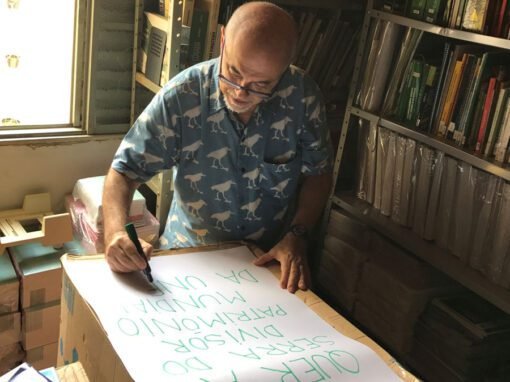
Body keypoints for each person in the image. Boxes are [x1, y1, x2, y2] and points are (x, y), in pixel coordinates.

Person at [102, 1, 333, 293]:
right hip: (189, 260)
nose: (240, 92)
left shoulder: (302, 97)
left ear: (283, 71)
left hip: (266, 263)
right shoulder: (183, 95)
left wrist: (297, 234)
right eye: (234, 72)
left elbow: (319, 173)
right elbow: (123, 171)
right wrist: (115, 233)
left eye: (261, 84)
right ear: (222, 40)